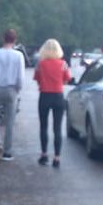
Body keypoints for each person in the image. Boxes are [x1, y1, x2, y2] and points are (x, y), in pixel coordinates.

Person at [0, 29, 25, 163]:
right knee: (10, 121)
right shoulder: (18, 55)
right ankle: (7, 151)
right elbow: (20, 76)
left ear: (3, 39)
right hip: (11, 89)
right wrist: (18, 89)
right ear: (15, 40)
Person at [33, 38, 72, 168]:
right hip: (58, 96)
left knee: (43, 126)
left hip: (44, 96)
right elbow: (66, 80)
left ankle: (44, 155)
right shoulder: (63, 64)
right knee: (57, 128)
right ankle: (57, 157)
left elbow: (37, 79)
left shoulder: (40, 64)